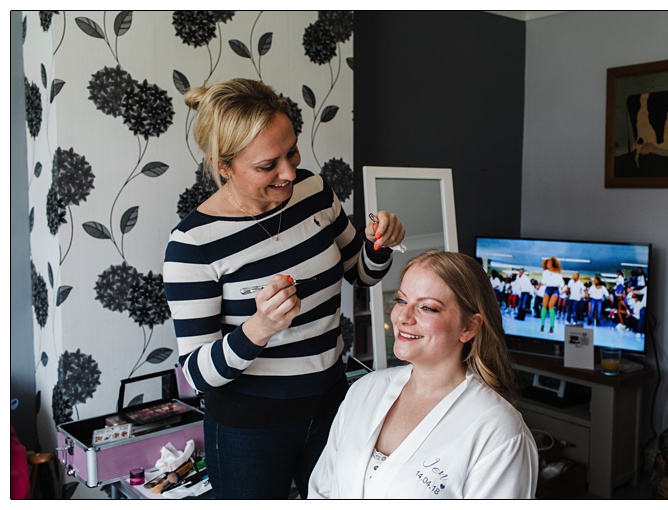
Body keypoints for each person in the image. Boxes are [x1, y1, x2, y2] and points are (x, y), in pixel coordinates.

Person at [163, 78, 406, 499]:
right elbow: (199, 373)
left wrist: (379, 245)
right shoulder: (193, 246)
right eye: (267, 166)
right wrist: (259, 327)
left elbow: (360, 273)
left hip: (332, 402)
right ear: (224, 166)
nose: (289, 172)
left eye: (291, 151)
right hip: (248, 427)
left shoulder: (313, 191)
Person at [308, 251, 537, 498]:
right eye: (401, 300)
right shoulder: (364, 390)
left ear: (469, 327)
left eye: (427, 307)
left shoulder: (499, 431)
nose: (403, 318)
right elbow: (322, 491)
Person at [539, 258, 565, 333]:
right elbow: (543, 281)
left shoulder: (558, 273)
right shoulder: (545, 272)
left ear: (552, 264)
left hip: (555, 289)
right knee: (544, 306)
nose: (548, 265)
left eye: (549, 263)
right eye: (547, 263)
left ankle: (552, 326)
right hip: (548, 288)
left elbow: (561, 282)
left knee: (551, 305)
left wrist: (562, 286)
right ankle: (542, 324)